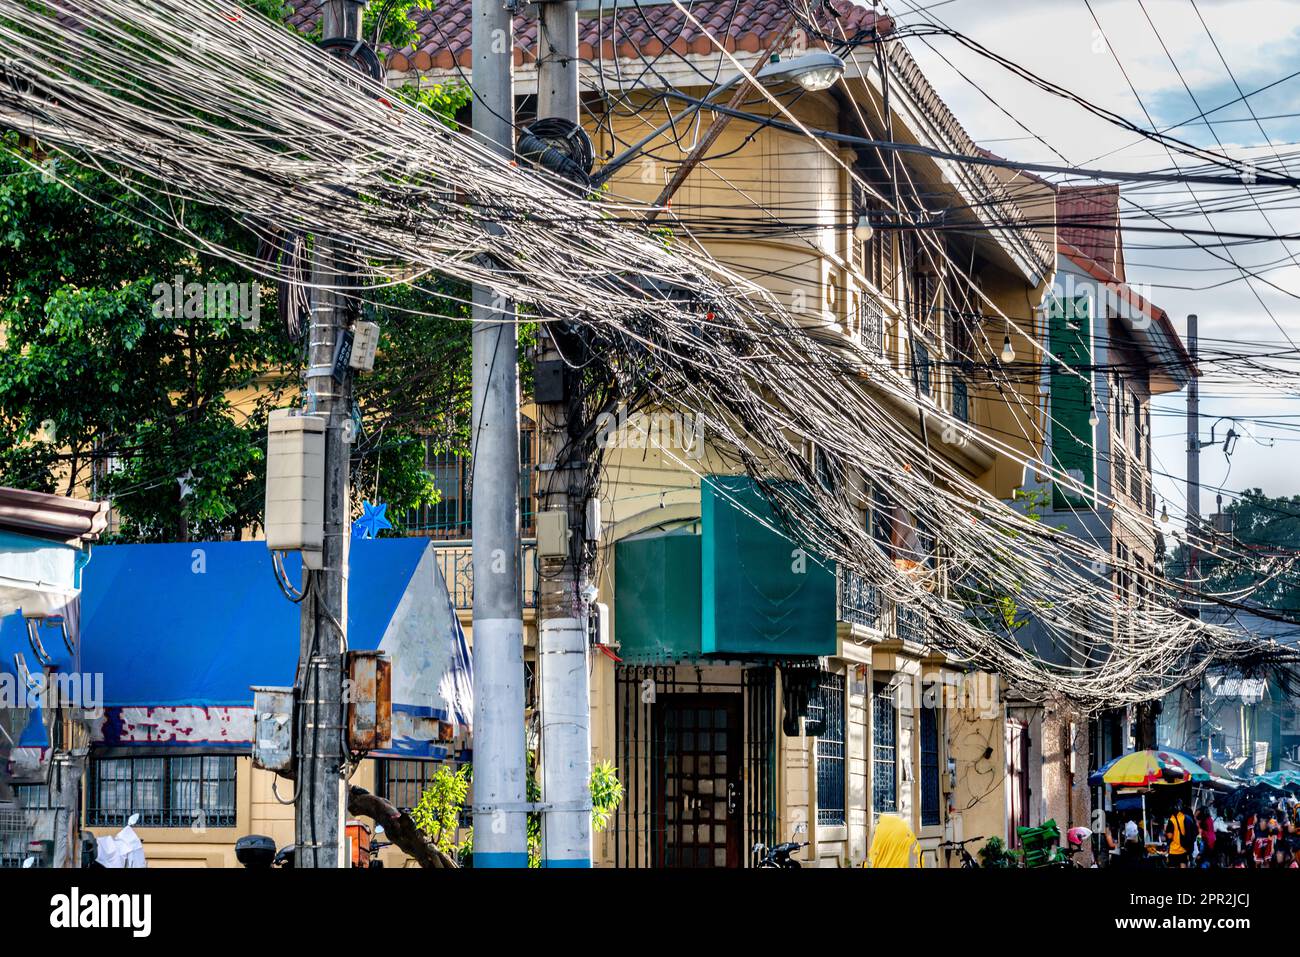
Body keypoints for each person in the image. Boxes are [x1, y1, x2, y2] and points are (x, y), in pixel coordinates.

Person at [1166, 801, 1194, 868]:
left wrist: (1166, 832)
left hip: (1174, 850)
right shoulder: (1186, 818)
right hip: (1183, 849)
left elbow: (1169, 836)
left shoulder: (1172, 820)